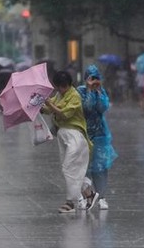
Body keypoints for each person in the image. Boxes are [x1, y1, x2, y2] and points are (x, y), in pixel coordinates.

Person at [42, 70, 92, 214]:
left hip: (75, 135)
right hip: (63, 135)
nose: (62, 89)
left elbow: (64, 114)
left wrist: (50, 105)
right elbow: (48, 109)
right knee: (69, 168)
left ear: (69, 84)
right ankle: (88, 192)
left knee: (69, 167)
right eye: (59, 87)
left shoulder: (75, 96)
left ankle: (71, 202)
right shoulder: (59, 95)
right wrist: (39, 105)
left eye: (64, 86)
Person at [77, 65, 118, 210]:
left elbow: (103, 107)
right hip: (85, 133)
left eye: (96, 78)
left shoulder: (101, 91)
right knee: (84, 167)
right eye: (91, 78)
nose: (94, 81)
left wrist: (98, 91)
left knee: (100, 168)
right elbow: (86, 108)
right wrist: (89, 90)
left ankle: (101, 196)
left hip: (100, 135)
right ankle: (84, 196)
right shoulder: (80, 91)